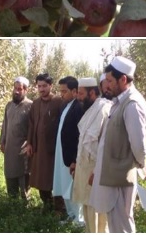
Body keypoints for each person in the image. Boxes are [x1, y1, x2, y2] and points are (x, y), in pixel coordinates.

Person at [89, 56, 146, 233]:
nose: (106, 85)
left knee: (122, 226)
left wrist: (142, 164)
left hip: (120, 178)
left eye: (109, 80)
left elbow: (139, 145)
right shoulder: (120, 102)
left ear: (123, 79)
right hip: (112, 176)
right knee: (116, 224)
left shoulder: (132, 105)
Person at [72, 76, 112, 233]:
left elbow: (103, 144)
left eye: (81, 94)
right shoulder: (90, 109)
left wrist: (97, 170)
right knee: (88, 209)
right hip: (85, 168)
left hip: (96, 170)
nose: (78, 97)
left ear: (93, 93)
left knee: (98, 212)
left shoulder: (103, 109)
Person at [26, 73, 64, 213]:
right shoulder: (35, 103)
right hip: (38, 149)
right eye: (39, 86)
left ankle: (60, 209)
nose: (41, 89)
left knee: (55, 178)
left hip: (54, 150)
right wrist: (29, 143)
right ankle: (47, 206)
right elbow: (31, 124)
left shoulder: (59, 101)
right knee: (41, 178)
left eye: (44, 86)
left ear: (50, 86)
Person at [53, 76, 84, 224]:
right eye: (60, 91)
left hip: (71, 157)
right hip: (63, 155)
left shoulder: (78, 107)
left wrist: (74, 159)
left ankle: (79, 220)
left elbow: (78, 136)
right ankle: (71, 216)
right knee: (66, 186)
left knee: (73, 187)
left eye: (64, 91)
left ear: (74, 91)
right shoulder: (66, 105)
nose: (61, 94)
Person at [0, 76, 33, 200]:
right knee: (10, 176)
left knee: (24, 179)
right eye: (15, 88)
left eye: (20, 89)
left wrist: (30, 144)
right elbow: (5, 124)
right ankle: (12, 204)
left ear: (26, 90)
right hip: (9, 149)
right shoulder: (9, 105)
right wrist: (2, 141)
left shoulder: (30, 106)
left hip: (23, 150)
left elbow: (32, 128)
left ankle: (25, 206)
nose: (17, 91)